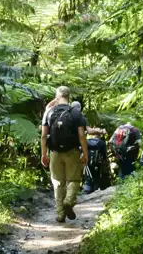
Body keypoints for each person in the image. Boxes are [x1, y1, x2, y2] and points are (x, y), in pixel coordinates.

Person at [41, 86, 88, 223]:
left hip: (55, 153)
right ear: (69, 96)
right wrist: (85, 153)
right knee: (73, 180)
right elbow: (81, 135)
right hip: (72, 151)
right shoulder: (75, 112)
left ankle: (60, 213)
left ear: (57, 96)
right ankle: (69, 201)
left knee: (58, 183)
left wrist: (44, 154)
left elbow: (44, 135)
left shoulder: (49, 112)